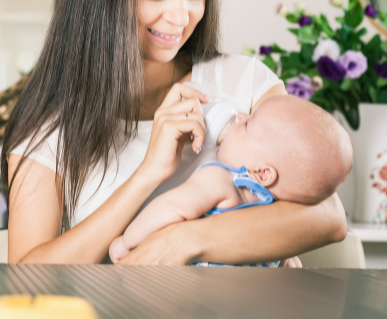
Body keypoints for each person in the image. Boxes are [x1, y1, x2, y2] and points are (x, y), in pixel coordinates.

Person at [0, 0, 347, 265]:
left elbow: (328, 216)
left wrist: (186, 240)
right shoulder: (51, 124)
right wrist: (149, 173)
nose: (181, 17)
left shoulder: (243, 84)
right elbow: (26, 274)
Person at [109, 96, 353, 264]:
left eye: (247, 124)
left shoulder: (220, 179)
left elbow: (171, 207)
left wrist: (126, 241)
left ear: (263, 173)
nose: (238, 117)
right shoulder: (275, 216)